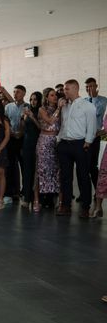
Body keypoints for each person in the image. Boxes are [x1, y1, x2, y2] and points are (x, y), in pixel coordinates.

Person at [56, 79, 96, 219]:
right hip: (64, 144)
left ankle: (85, 207)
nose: (63, 91)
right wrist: (59, 140)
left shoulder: (87, 106)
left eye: (66, 89)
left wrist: (88, 142)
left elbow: (92, 125)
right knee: (65, 177)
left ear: (75, 89)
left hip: (81, 144)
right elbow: (63, 124)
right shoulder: (64, 105)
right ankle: (66, 205)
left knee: (83, 176)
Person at [35, 88, 61, 211]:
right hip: (45, 141)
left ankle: (54, 199)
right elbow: (50, 121)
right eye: (52, 95)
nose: (55, 97)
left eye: (55, 95)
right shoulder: (42, 109)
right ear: (46, 97)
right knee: (42, 170)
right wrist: (59, 108)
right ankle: (37, 200)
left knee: (55, 170)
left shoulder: (61, 110)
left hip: (56, 141)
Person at [3, 85, 28, 202]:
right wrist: (11, 133)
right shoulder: (8, 107)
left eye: (17, 92)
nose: (15, 94)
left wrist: (20, 133)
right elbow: (5, 121)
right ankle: (11, 192)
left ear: (23, 94)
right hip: (11, 139)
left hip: (23, 140)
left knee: (24, 166)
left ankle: (25, 191)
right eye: (14, 92)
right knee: (10, 166)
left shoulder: (27, 106)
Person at [84, 77, 107, 197]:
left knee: (92, 166)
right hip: (83, 137)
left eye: (91, 86)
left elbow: (96, 113)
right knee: (84, 166)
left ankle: (97, 192)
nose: (89, 89)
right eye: (87, 87)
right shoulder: (83, 101)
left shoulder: (103, 100)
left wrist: (94, 98)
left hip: (95, 137)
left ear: (96, 86)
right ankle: (84, 193)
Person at [20, 92, 42, 210]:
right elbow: (22, 128)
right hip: (27, 143)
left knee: (37, 172)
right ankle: (26, 197)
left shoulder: (41, 111)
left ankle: (37, 198)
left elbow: (41, 128)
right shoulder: (27, 110)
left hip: (38, 142)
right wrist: (23, 117)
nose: (33, 101)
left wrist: (32, 117)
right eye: (31, 99)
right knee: (27, 171)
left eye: (35, 99)